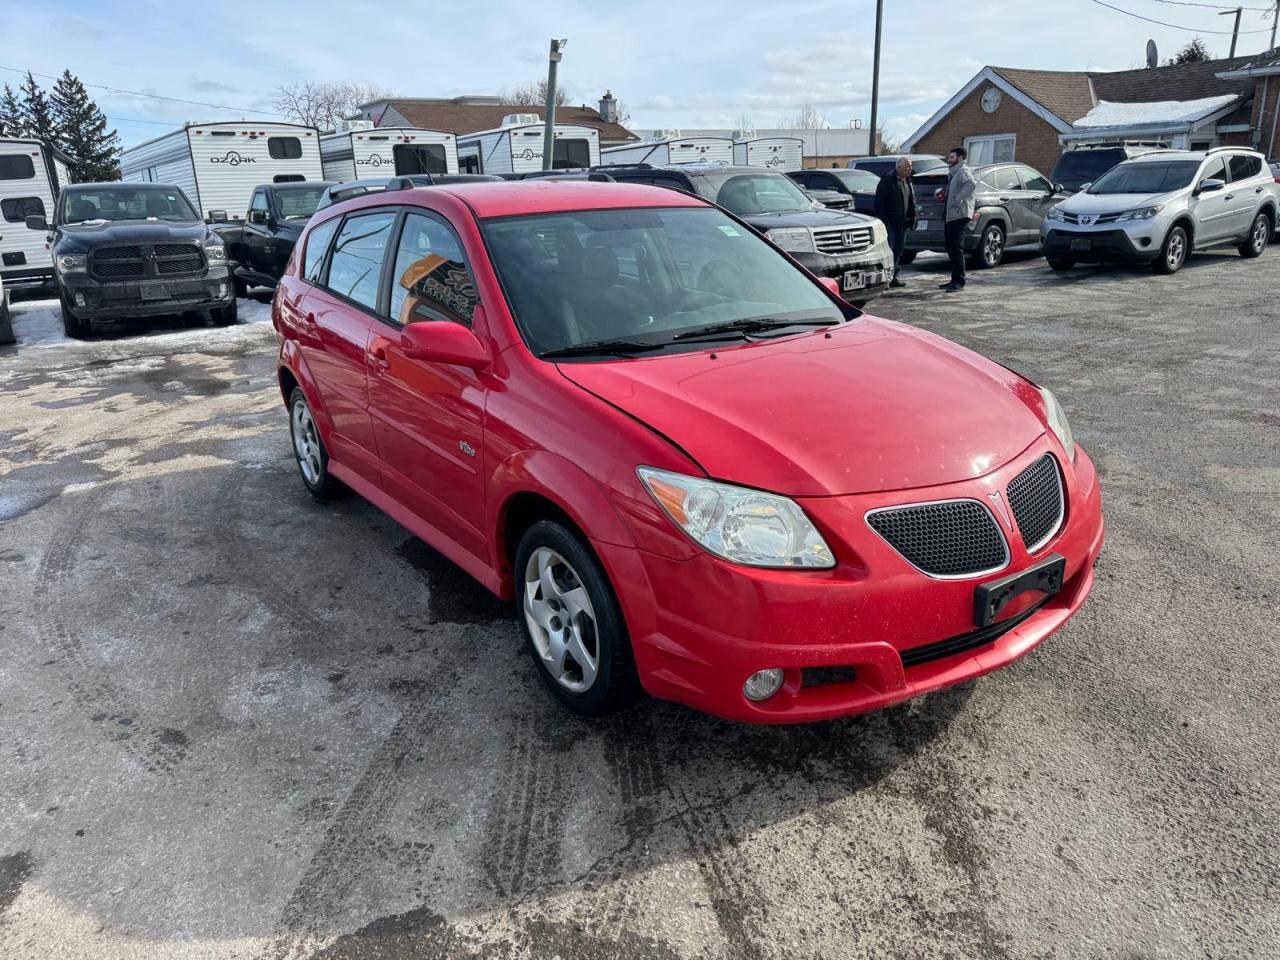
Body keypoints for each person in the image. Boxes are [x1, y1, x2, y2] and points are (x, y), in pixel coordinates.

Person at [873, 157, 916, 288]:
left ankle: (894, 277)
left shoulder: (908, 180)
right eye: (907, 166)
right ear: (899, 167)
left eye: (910, 166)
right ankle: (884, 281)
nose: (910, 169)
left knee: (898, 251)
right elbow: (879, 204)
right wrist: (885, 222)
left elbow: (912, 201)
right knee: (888, 253)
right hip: (891, 224)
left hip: (903, 224)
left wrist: (913, 218)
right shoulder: (887, 181)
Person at [941, 146, 978, 293]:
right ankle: (953, 279)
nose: (949, 160)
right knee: (951, 248)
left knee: (956, 249)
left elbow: (971, 184)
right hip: (951, 215)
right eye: (949, 157)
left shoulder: (963, 170)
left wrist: (957, 200)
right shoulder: (954, 173)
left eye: (951, 157)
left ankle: (959, 281)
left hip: (959, 215)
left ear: (960, 158)